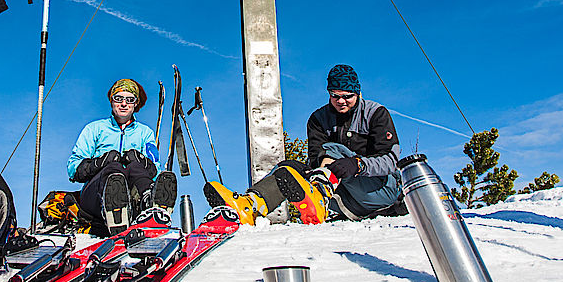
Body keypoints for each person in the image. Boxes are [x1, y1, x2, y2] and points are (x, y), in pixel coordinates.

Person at [204, 64, 404, 225]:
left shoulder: (376, 113)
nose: (341, 101)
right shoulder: (318, 119)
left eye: (347, 96)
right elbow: (316, 158)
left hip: (379, 191)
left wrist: (358, 165)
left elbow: (390, 160)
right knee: (288, 169)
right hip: (345, 197)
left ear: (358, 94)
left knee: (335, 149)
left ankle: (321, 193)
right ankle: (249, 206)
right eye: (335, 96)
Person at [68, 78, 176, 233]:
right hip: (95, 195)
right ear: (112, 101)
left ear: (135, 104)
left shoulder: (145, 133)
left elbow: (155, 169)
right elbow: (73, 168)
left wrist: (144, 163)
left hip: (132, 194)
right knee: (114, 167)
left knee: (135, 166)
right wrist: (98, 163)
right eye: (119, 98)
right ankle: (115, 211)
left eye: (129, 99)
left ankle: (150, 205)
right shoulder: (94, 129)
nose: (124, 104)